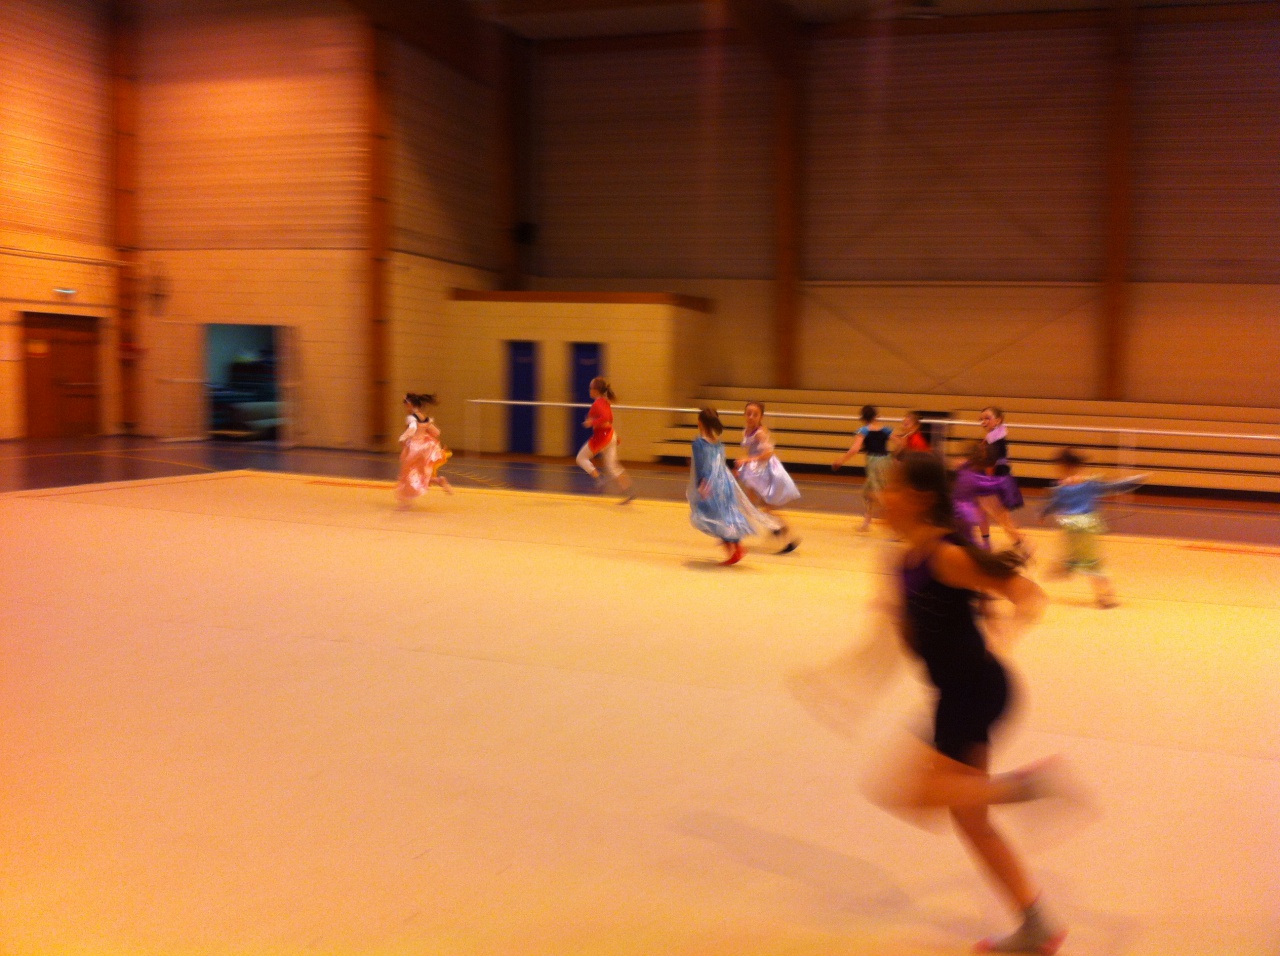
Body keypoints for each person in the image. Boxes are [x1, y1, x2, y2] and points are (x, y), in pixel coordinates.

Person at [877, 452, 1068, 954]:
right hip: (957, 693)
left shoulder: (946, 556)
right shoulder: (905, 562)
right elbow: (906, 638)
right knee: (969, 817)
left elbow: (1025, 592)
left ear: (918, 498)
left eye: (891, 486)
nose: (880, 494)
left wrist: (1005, 634)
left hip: (976, 691)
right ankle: (1037, 926)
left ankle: (1024, 788)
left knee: (912, 794)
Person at [1041, 448, 1146, 609]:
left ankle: (1066, 566)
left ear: (1064, 466)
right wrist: (1134, 481)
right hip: (1086, 526)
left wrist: (1043, 513)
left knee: (1077, 555)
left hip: (1071, 527)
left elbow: (1054, 504)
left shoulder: (1062, 487)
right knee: (1093, 563)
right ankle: (1105, 596)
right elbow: (1114, 486)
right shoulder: (1089, 483)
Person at [688, 407, 777, 565]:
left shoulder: (699, 443)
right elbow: (720, 462)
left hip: (710, 482)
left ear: (700, 422)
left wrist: (700, 484)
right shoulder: (718, 442)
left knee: (712, 515)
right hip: (724, 481)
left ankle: (734, 549)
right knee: (725, 514)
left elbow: (701, 466)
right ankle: (735, 546)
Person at [735, 401, 801, 553]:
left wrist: (746, 461)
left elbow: (768, 453)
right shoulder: (746, 431)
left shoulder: (760, 433)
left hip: (764, 471)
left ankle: (781, 532)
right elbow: (750, 451)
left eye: (755, 414)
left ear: (761, 417)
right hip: (755, 471)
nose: (751, 417)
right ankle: (782, 533)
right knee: (758, 506)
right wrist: (743, 466)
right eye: (748, 413)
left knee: (755, 506)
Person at [954, 442, 1028, 553]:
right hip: (980, 493)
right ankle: (988, 543)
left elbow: (991, 479)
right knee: (984, 517)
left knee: (1003, 520)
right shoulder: (969, 466)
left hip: (988, 493)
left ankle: (1020, 541)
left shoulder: (980, 465)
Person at [833, 404, 894, 531]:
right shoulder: (886, 430)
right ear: (876, 416)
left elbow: (855, 449)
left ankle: (896, 528)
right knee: (867, 493)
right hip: (886, 461)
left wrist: (841, 460)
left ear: (863, 418)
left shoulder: (863, 431)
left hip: (874, 463)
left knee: (880, 496)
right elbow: (900, 442)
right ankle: (867, 523)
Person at [575, 377, 635, 503]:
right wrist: (614, 436)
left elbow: (606, 418)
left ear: (596, 391)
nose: (589, 390)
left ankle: (599, 477)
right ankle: (629, 491)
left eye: (591, 388)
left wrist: (591, 423)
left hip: (602, 437)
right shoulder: (605, 402)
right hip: (610, 435)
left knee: (581, 458)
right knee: (612, 466)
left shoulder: (598, 403)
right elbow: (610, 420)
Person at [395, 393, 452, 506]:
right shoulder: (425, 418)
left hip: (414, 448)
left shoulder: (411, 418)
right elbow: (436, 432)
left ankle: (405, 502)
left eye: (406, 405)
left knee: (407, 473)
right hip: (425, 448)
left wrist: (402, 438)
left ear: (410, 405)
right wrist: (425, 435)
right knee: (420, 473)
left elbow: (412, 429)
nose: (405, 408)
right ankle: (439, 480)